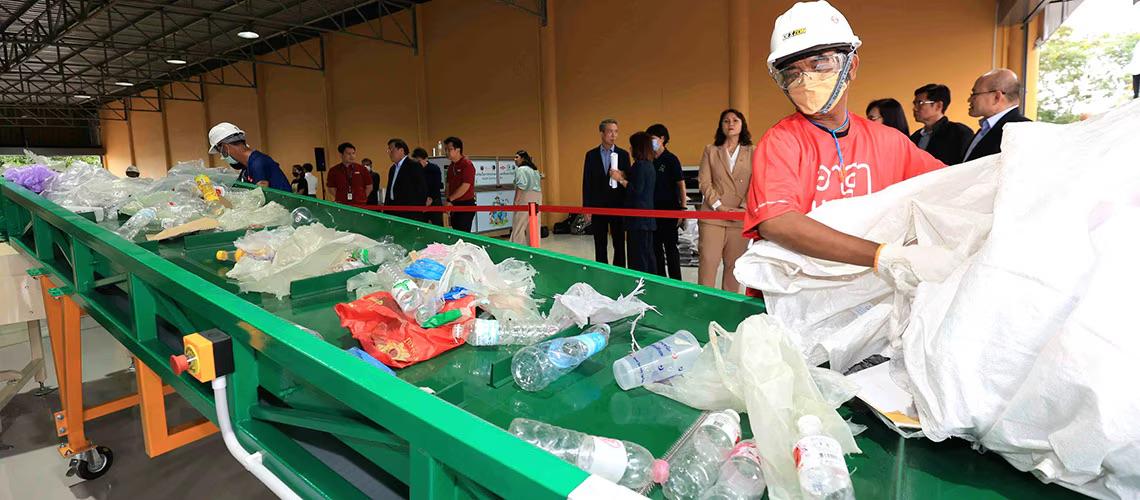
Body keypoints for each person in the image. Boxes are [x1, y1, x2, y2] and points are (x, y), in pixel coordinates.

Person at [746, 0, 953, 293]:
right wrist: (883, 255)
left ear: (851, 65)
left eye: (819, 64)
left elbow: (952, 187)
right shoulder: (782, 142)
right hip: (793, 304)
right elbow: (778, 222)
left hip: (865, 304)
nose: (806, 80)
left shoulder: (890, 143)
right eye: (792, 72)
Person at [698, 109, 754, 292]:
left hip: (739, 217)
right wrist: (718, 206)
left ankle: (726, 310)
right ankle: (703, 306)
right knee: (708, 263)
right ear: (721, 126)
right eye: (726, 121)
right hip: (713, 215)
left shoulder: (753, 151)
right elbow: (704, 182)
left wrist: (743, 207)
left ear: (742, 125)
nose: (730, 124)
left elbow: (757, 182)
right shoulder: (711, 150)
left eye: (735, 120)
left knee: (733, 268)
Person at [582, 119, 631, 267]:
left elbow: (628, 178)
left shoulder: (623, 154)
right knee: (600, 243)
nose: (613, 135)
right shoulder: (591, 155)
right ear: (602, 133)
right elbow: (587, 182)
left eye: (616, 132)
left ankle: (620, 272)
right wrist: (586, 207)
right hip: (598, 205)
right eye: (610, 131)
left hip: (618, 205)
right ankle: (601, 271)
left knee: (619, 243)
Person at [963, 68, 1032, 163]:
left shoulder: (1021, 130)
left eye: (974, 94)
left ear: (996, 97)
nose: (969, 100)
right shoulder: (986, 128)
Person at [646, 124, 685, 280]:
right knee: (655, 248)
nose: (650, 142)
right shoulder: (649, 160)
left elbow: (681, 185)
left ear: (662, 139)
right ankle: (660, 279)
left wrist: (682, 209)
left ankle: (676, 281)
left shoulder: (671, 159)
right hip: (652, 212)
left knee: (670, 248)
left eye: (653, 139)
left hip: (670, 211)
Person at [614, 132, 657, 274]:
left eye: (632, 146)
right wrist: (624, 174)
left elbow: (636, 190)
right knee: (647, 255)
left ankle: (640, 287)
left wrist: (620, 180)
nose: (630, 149)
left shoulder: (640, 166)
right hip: (646, 221)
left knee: (638, 259)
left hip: (638, 221)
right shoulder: (648, 165)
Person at [207, 122, 290, 191]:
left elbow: (260, 197)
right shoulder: (246, 168)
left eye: (220, 152)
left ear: (225, 148)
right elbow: (236, 191)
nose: (222, 156)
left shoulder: (258, 163)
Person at [909, 83, 974, 165]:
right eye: (915, 104)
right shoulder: (915, 137)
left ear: (938, 106)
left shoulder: (959, 133)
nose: (914, 108)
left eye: (920, 103)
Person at [383, 138, 428, 222]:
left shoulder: (414, 165)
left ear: (401, 150)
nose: (389, 152)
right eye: (388, 150)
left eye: (391, 149)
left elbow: (422, 189)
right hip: (393, 212)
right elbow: (390, 190)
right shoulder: (392, 169)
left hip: (409, 213)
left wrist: (418, 210)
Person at [443, 137, 476, 232]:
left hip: (465, 205)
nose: (447, 152)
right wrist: (448, 201)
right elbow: (448, 185)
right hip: (454, 204)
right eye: (446, 150)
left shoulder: (467, 164)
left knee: (463, 234)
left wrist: (450, 199)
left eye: (449, 149)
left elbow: (465, 186)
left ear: (458, 149)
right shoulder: (451, 167)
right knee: (455, 231)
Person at [510, 150, 543, 246]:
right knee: (534, 224)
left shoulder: (521, 169)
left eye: (517, 157)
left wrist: (516, 201)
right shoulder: (534, 170)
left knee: (519, 224)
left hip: (526, 196)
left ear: (523, 158)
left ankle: (517, 247)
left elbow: (521, 186)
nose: (514, 159)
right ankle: (534, 247)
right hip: (537, 196)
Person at [412, 147, 445, 226]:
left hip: (434, 200)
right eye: (415, 161)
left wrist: (430, 199)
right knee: (422, 226)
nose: (418, 164)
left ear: (425, 159)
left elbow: (436, 185)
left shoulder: (434, 169)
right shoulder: (414, 170)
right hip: (421, 202)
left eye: (419, 161)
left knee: (437, 225)